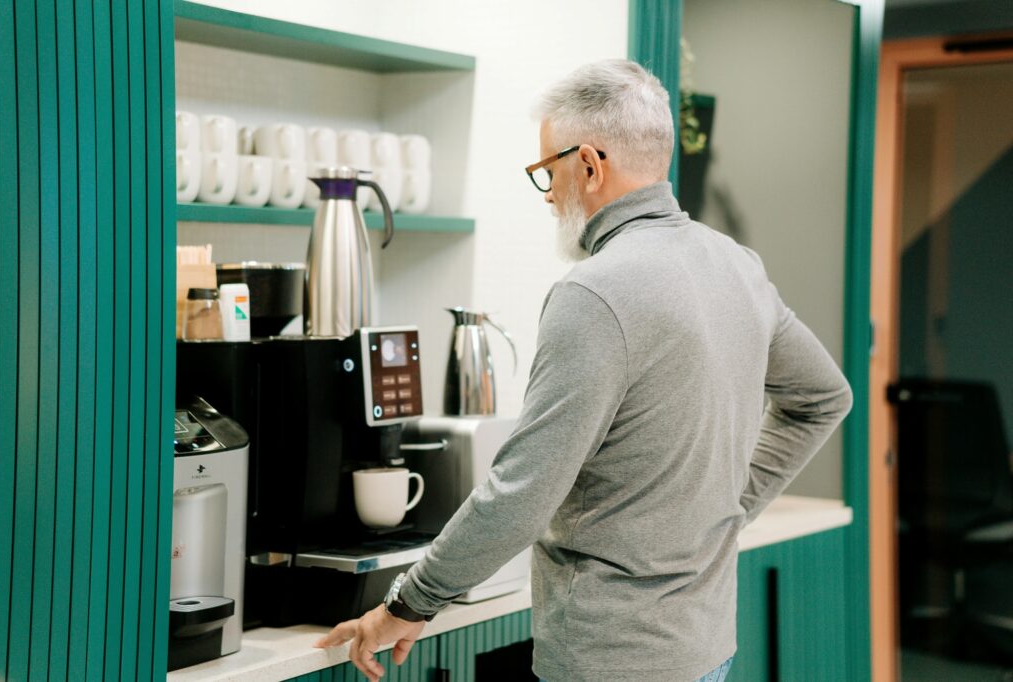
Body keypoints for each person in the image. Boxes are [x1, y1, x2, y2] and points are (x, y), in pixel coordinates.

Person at [314, 58, 853, 682]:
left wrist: (409, 602)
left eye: (547, 171)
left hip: (611, 661)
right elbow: (824, 397)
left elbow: (522, 493)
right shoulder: (736, 265)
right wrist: (729, 508)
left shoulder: (594, 293)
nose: (547, 195)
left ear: (590, 165)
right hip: (706, 650)